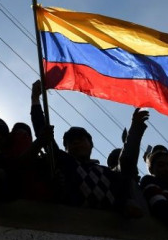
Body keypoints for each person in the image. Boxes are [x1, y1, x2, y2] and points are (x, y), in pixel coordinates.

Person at [30, 80, 148, 216]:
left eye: (81, 139)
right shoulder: (64, 162)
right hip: (73, 222)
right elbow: (43, 134)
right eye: (71, 141)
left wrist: (136, 128)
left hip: (111, 227)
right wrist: (35, 99)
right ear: (66, 148)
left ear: (91, 145)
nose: (76, 143)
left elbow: (127, 161)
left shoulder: (107, 173)